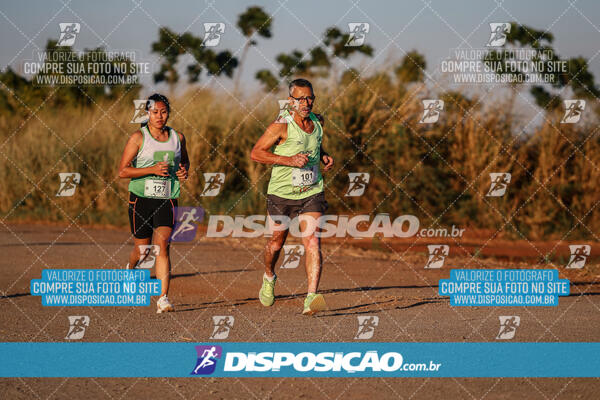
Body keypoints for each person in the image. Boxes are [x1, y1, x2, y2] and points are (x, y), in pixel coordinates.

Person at [250, 78, 334, 315]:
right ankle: (269, 276)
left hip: (312, 191)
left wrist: (324, 156)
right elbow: (256, 153)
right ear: (291, 101)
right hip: (282, 194)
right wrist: (288, 160)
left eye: (310, 98)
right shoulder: (280, 125)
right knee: (276, 243)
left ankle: (311, 297)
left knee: (312, 241)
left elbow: (315, 146)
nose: (306, 103)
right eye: (301, 99)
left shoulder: (319, 122)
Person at [118, 93, 189, 313]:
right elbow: (122, 171)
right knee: (143, 250)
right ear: (147, 113)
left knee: (163, 246)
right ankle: (130, 269)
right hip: (141, 199)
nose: (160, 116)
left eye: (164, 111)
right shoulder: (138, 138)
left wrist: (184, 171)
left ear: (169, 113)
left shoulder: (178, 137)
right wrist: (151, 169)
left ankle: (163, 298)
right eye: (155, 112)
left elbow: (184, 160)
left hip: (167, 198)